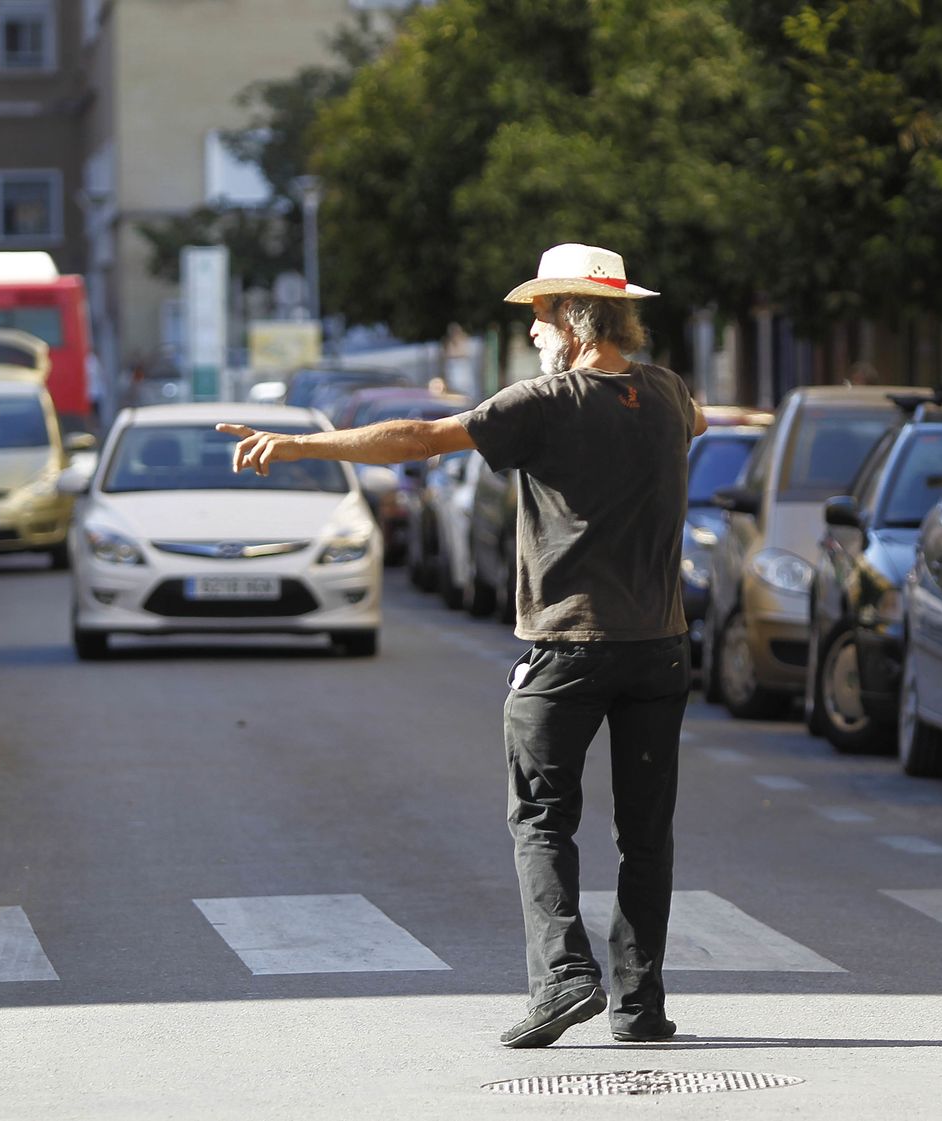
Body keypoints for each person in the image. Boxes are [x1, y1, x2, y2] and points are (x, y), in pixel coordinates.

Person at [220, 243, 703, 1049]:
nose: (535, 335)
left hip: (568, 645)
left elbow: (416, 437)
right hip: (660, 647)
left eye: (540, 319)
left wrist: (299, 446)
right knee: (646, 834)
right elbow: (698, 421)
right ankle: (640, 1004)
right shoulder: (667, 394)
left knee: (542, 818)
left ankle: (562, 976)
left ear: (572, 320)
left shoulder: (546, 401)